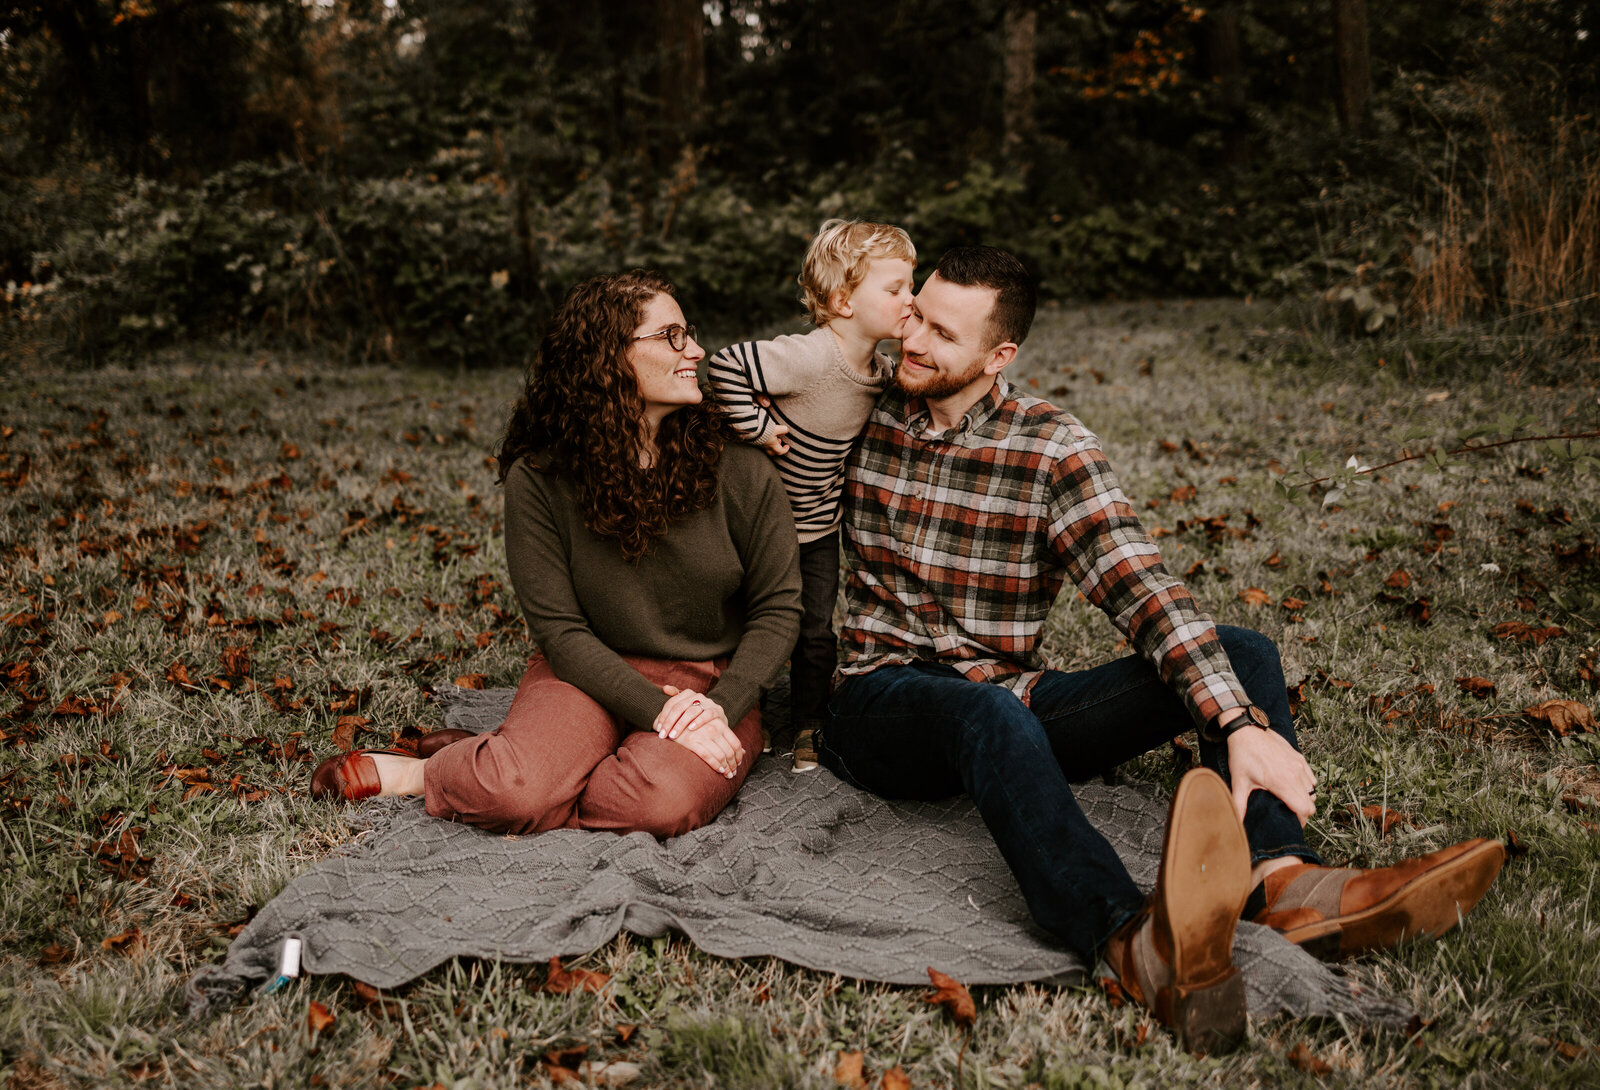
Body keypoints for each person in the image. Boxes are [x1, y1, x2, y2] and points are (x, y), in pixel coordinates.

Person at [818, 246, 1506, 1053]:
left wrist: (1239, 722)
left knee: (1240, 657)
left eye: (943, 331)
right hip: (876, 698)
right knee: (982, 712)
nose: (916, 342)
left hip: (1010, 694)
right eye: (916, 317)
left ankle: (1284, 881)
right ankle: (1128, 939)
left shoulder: (1049, 448)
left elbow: (1141, 588)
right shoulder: (855, 405)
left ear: (1001, 355)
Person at [310, 270, 803, 839]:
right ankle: (436, 772)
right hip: (586, 672)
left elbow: (779, 607)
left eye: (688, 332)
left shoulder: (740, 467)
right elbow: (562, 632)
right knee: (516, 793)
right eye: (670, 336)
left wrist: (721, 705)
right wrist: (655, 710)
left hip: (707, 688)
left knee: (659, 806)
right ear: (608, 357)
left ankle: (510, 761)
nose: (695, 350)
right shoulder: (542, 478)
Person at [705, 219, 916, 771]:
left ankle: (807, 720)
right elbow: (725, 365)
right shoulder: (810, 357)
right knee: (750, 623)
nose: (909, 301)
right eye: (894, 290)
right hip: (758, 529)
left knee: (816, 629)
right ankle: (742, 710)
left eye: (909, 287)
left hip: (818, 526)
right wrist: (756, 427)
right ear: (843, 301)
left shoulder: (880, 371)